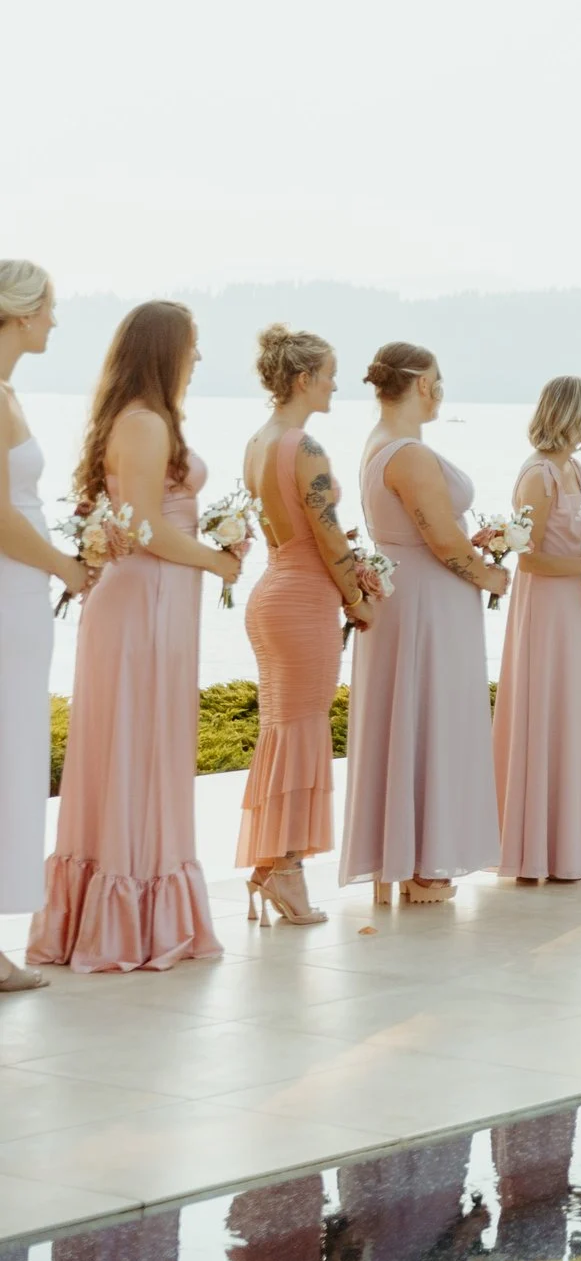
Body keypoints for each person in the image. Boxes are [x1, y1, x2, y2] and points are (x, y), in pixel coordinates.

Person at [30, 300, 238, 972]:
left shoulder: (144, 419)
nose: (198, 357)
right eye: (192, 345)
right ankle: (126, 920)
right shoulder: (145, 423)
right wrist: (216, 558)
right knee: (136, 744)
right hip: (144, 600)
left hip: (157, 598)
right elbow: (146, 527)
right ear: (165, 349)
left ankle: (131, 910)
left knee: (147, 744)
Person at [341, 342, 504, 904]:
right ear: (422, 385)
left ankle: (403, 853)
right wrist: (490, 575)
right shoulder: (407, 453)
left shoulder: (380, 441)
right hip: (428, 601)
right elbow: (443, 539)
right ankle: (424, 862)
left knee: (411, 714)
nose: (441, 392)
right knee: (434, 714)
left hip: (407, 591)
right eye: (438, 381)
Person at [237, 325, 371, 926]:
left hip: (270, 592)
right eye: (329, 375)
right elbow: (328, 535)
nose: (335, 385)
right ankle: (287, 871)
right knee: (303, 732)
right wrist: (357, 597)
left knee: (281, 732)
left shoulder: (257, 442)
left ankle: (271, 866)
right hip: (303, 598)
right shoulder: (304, 447)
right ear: (303, 378)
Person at [496, 376, 581, 882]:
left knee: (567, 711)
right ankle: (531, 851)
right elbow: (528, 559)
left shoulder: (573, 469)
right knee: (543, 708)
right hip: (543, 607)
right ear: (572, 413)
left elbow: (566, 545)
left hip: (570, 605)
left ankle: (562, 848)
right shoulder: (540, 475)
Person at [0, 261, 87, 990]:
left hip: (21, 596)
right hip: (9, 591)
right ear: (22, 311)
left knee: (16, 752)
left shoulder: (9, 391)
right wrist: (65, 566)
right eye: (50, 307)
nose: (55, 320)